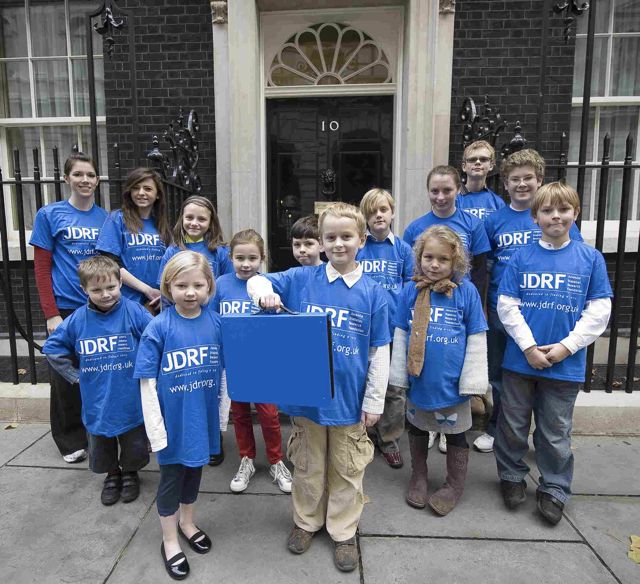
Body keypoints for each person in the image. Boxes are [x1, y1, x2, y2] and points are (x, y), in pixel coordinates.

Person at [247, 203, 390, 572]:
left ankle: (343, 531)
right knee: (308, 465)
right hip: (307, 397)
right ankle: (307, 520)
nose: (338, 244)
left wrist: (374, 400)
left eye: (346, 236)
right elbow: (256, 280)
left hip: (349, 399)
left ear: (361, 240)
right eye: (331, 237)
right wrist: (263, 293)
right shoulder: (300, 279)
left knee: (346, 467)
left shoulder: (374, 293)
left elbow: (379, 352)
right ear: (322, 243)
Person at [495, 182, 612, 526]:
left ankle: (555, 488)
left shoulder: (590, 258)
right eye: (547, 210)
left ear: (575, 214)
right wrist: (529, 347)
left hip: (565, 366)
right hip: (520, 362)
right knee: (513, 424)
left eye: (563, 209)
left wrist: (565, 347)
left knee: (555, 430)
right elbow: (507, 305)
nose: (555, 216)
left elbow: (599, 309)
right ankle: (512, 476)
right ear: (535, 217)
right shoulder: (521, 257)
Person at [474, 150, 583, 454]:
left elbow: (574, 260)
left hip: (545, 308)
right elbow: (485, 266)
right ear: (505, 184)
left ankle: (544, 435)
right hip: (503, 310)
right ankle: (499, 429)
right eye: (514, 179)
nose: (522, 184)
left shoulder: (556, 217)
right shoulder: (495, 220)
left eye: (528, 178)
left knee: (545, 374)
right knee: (501, 376)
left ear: (539, 181)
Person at [134, 251, 230, 580]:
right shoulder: (158, 328)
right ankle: (170, 539)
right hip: (172, 424)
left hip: (201, 420)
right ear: (168, 287)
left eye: (198, 285)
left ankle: (187, 523)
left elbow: (224, 375)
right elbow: (146, 384)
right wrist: (155, 431)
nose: (190, 292)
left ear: (209, 288)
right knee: (171, 480)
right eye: (182, 285)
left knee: (194, 473)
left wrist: (220, 420)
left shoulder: (217, 323)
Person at [389, 225, 488, 516]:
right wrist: (398, 376)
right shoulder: (411, 290)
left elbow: (476, 336)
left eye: (442, 259)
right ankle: (419, 476)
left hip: (452, 384)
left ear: (455, 262)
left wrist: (472, 381)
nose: (434, 264)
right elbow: (401, 333)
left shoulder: (466, 292)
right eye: (428, 257)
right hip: (420, 380)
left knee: (456, 434)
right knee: (418, 427)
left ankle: (453, 485)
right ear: (418, 257)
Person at [42, 256, 152, 505]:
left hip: (129, 394)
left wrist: (148, 369)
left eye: (111, 287)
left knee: (134, 441)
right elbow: (52, 349)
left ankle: (131, 474)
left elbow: (155, 336)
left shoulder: (133, 311)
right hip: (96, 398)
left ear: (120, 283)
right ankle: (112, 474)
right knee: (101, 442)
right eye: (97, 290)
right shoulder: (78, 320)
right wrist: (74, 376)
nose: (105, 294)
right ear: (84, 290)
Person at [403, 165, 491, 453]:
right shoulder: (416, 227)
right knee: (427, 364)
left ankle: (446, 431)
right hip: (427, 302)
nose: (440, 196)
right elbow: (410, 269)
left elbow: (480, 269)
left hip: (457, 304)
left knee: (451, 367)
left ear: (458, 190)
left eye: (447, 190)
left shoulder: (472, 224)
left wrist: (472, 301)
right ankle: (429, 427)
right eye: (435, 191)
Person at [30, 152, 107, 463]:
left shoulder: (105, 218)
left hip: (97, 308)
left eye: (90, 175)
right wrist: (51, 314)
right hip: (65, 308)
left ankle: (95, 432)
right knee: (63, 378)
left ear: (97, 180)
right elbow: (41, 268)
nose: (85, 180)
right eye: (78, 174)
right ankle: (70, 440)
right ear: (66, 179)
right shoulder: (50, 215)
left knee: (96, 374)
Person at [211, 229, 292, 493]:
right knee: (241, 414)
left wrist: (274, 306)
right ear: (231, 258)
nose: (246, 264)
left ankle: (276, 461)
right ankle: (246, 459)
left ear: (262, 259)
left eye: (252, 258)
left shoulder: (267, 285)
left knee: (269, 415)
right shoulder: (221, 284)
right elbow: (212, 320)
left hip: (262, 360)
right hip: (233, 361)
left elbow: (279, 321)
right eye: (239, 257)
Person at [356, 188, 413, 468]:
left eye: (383, 210)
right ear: (364, 217)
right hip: (360, 330)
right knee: (361, 382)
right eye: (371, 211)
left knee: (393, 388)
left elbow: (412, 284)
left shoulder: (402, 249)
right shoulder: (358, 247)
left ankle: (389, 439)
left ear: (392, 213)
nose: (378, 215)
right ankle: (361, 436)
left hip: (392, 330)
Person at [96, 168, 172, 313]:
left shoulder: (161, 225)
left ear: (157, 195)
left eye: (148, 189)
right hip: (127, 301)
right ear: (129, 192)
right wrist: (146, 290)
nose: (141, 193)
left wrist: (163, 293)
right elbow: (110, 263)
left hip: (158, 302)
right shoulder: (117, 219)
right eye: (136, 188)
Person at [157, 195, 233, 285]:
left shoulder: (221, 252)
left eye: (201, 219)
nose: (194, 223)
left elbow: (229, 284)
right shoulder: (172, 251)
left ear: (210, 222)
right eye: (189, 217)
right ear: (182, 219)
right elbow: (163, 285)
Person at [457, 140, 506, 222]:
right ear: (464, 166)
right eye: (472, 159)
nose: (478, 162)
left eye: (483, 159)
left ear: (491, 165)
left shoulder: (498, 203)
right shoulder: (453, 199)